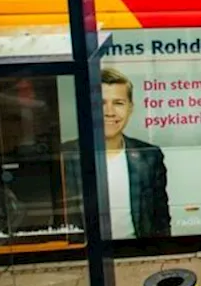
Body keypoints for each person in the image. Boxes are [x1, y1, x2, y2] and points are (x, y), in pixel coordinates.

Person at [64, 67, 171, 239]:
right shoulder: (66, 156)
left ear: (130, 108)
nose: (109, 112)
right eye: (100, 103)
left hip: (135, 255)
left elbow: (161, 222)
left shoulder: (149, 156)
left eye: (118, 103)